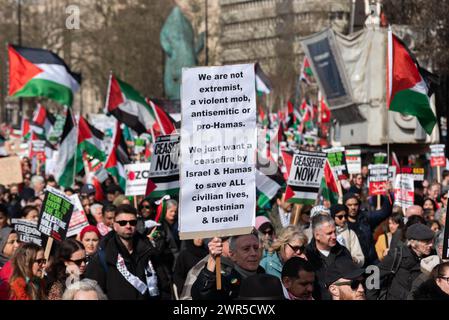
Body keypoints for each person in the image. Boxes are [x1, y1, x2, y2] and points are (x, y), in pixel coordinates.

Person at [85, 204, 171, 300]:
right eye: (122, 223)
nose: (128, 226)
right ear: (114, 225)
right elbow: (92, 293)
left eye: (132, 222)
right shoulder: (103, 256)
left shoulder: (149, 251)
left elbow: (164, 286)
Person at [367, 223, 435, 300]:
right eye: (426, 242)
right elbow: (374, 277)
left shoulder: (433, 257)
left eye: (431, 241)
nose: (431, 245)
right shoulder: (397, 255)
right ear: (412, 243)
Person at [191, 233, 264, 300]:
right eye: (246, 249)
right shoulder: (224, 282)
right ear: (232, 255)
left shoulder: (264, 275)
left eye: (256, 248)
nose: (253, 253)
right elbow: (202, 296)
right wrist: (212, 259)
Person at [305, 214, 354, 300]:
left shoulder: (343, 252)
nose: (334, 236)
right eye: (329, 233)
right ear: (317, 235)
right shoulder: (307, 255)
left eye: (335, 232)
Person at [344, 192, 391, 266]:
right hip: (352, 266)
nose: (353, 207)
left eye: (355, 204)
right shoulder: (341, 223)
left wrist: (387, 195)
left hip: (371, 263)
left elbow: (384, 213)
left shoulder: (365, 217)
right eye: (349, 205)